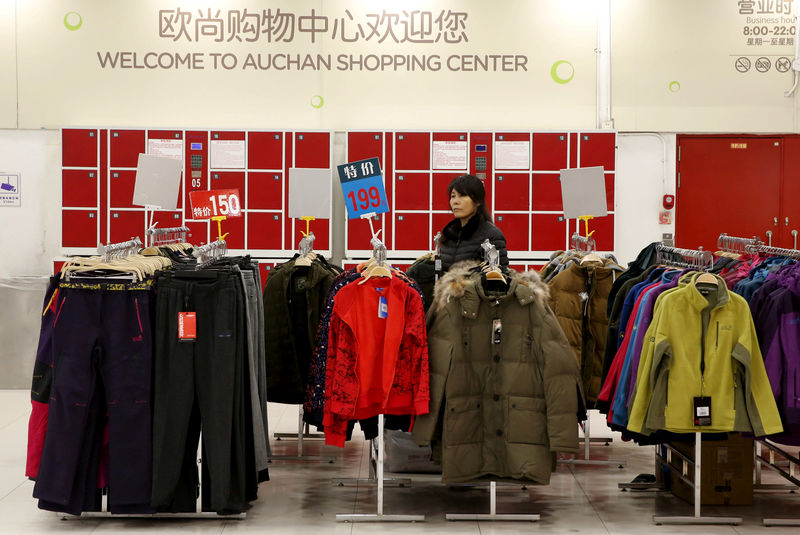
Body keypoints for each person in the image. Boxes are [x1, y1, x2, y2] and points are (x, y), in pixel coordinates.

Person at [438, 174, 509, 272]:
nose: (455, 201)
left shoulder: (491, 235)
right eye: (453, 196)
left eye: (462, 195)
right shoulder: (448, 234)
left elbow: (501, 276)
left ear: (478, 201)